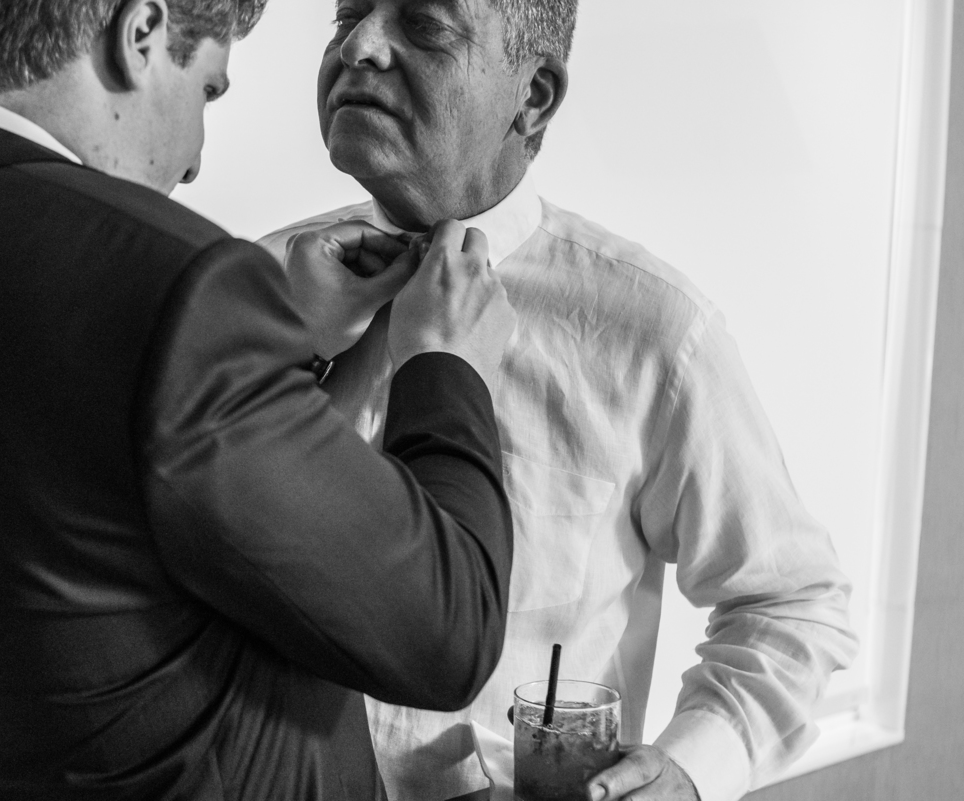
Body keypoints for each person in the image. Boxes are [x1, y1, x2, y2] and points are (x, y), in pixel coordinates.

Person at [0, 1, 522, 799]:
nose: (192, 163)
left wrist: (290, 348)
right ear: (140, 33)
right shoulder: (172, 285)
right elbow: (449, 635)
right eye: (207, 90)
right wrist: (445, 362)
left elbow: (111, 538)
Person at [258, 1, 859, 800]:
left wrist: (690, 769)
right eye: (346, 15)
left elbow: (792, 600)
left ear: (533, 95)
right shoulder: (248, 290)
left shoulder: (652, 334)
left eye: (424, 24)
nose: (360, 46)